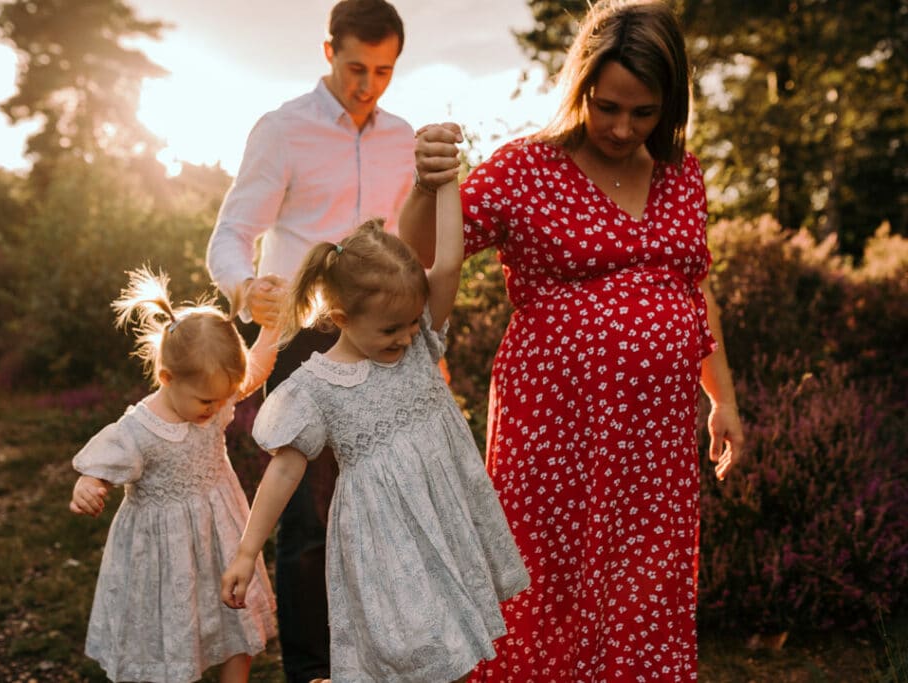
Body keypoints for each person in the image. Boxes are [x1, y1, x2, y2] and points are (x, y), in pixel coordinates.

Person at [400, 1, 746, 680]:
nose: (622, 127)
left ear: (668, 105)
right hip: (555, 434)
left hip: (655, 442)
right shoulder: (526, 169)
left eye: (642, 111)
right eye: (607, 105)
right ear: (581, 86)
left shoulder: (683, 175)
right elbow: (419, 256)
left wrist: (722, 399)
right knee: (546, 578)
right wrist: (424, 184)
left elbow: (692, 288)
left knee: (646, 581)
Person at [220, 185, 531, 683]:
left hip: (441, 516)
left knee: (450, 638)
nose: (407, 337)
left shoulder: (418, 339)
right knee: (405, 647)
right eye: (391, 329)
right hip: (382, 541)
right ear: (341, 319)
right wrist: (246, 550)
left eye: (411, 323)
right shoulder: (316, 386)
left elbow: (448, 264)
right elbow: (284, 469)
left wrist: (446, 182)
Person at [205, 1, 414, 680]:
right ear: (329, 52)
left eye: (383, 71)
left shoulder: (402, 138)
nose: (368, 85)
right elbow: (230, 236)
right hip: (304, 345)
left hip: (387, 343)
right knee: (309, 519)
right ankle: (312, 669)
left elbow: (409, 246)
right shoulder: (282, 129)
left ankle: (381, 658)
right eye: (357, 67)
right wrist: (244, 288)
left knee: (387, 514)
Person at [69, 267, 278, 683]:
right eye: (207, 400)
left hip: (222, 536)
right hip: (164, 557)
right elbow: (99, 466)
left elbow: (254, 370)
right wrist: (88, 486)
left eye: (223, 398)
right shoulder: (139, 429)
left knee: (236, 625)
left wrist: (272, 330)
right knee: (174, 641)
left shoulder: (213, 398)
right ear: (167, 378)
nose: (218, 408)